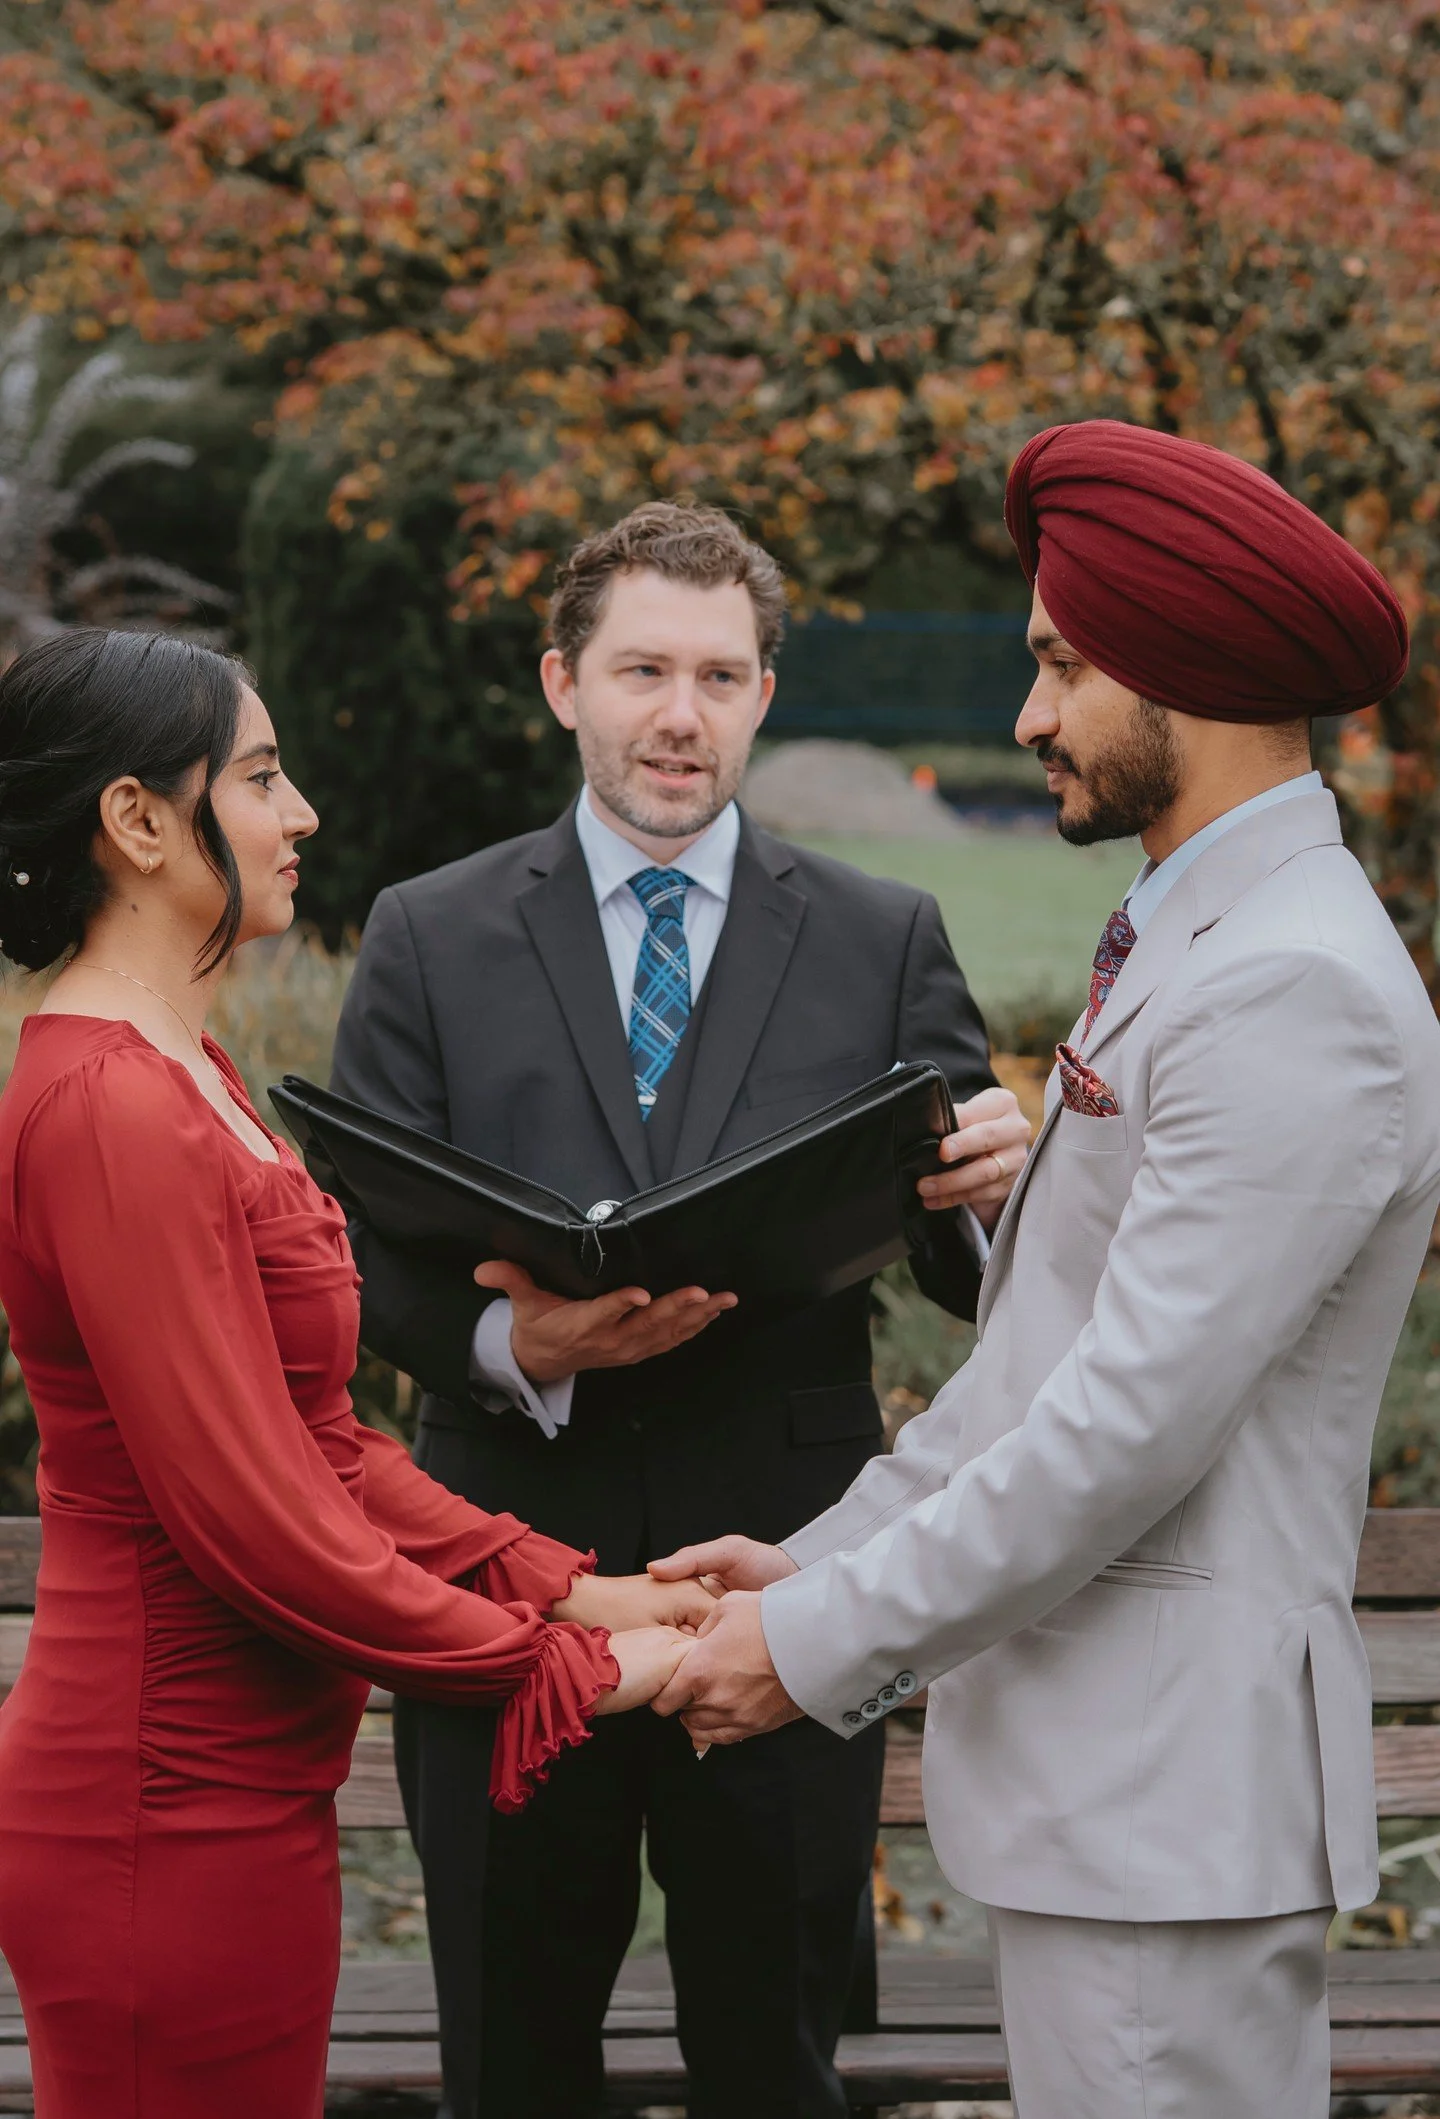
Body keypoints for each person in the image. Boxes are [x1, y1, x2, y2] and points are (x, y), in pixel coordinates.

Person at [649, 421, 1440, 2119]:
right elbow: (1039, 1368)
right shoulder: (1206, 941)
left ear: (1187, 669)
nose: (1028, 717)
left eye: (1061, 666)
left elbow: (1121, 1437)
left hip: (1170, 1823)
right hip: (1125, 1811)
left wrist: (809, 1646)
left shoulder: (1289, 988)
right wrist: (806, 1561)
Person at [331, 500, 1030, 2119]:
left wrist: (1000, 1203)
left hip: (784, 1578)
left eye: (720, 675)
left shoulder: (885, 936)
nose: (680, 714)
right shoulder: (430, 934)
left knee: (773, 2051)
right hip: (512, 1565)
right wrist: (520, 1346)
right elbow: (354, 1251)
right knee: (512, 2047)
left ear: (766, 694)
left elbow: (958, 1270)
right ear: (564, 680)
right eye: (643, 669)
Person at [0, 628, 713, 2119]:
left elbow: (316, 1448)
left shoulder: (188, 1075)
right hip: (161, 1804)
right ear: (137, 822)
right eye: (260, 776)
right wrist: (569, 1668)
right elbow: (253, 1522)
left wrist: (582, 1587)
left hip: (247, 1785)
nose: (302, 811)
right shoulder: (109, 1107)